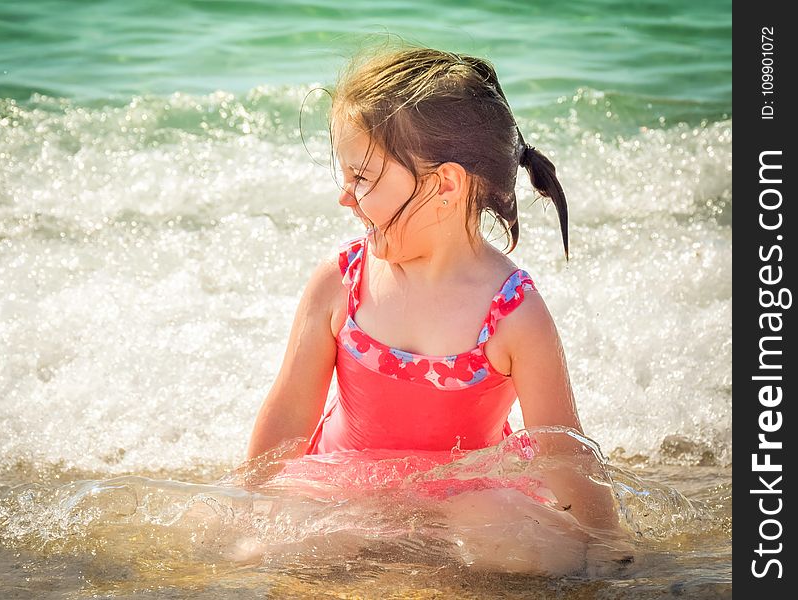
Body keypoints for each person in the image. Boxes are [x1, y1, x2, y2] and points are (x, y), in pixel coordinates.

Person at [246, 47, 623, 556]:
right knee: (291, 538)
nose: (345, 195)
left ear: (443, 184)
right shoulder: (342, 282)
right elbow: (290, 413)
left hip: (463, 504)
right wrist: (250, 506)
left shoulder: (511, 312)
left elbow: (561, 449)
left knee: (511, 543)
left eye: (362, 176)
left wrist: (607, 545)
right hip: (344, 493)